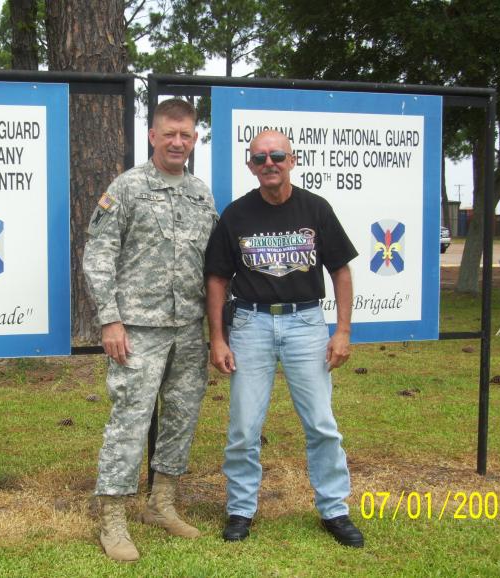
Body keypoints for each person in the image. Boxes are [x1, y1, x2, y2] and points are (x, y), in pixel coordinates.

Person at [204, 129, 364, 547]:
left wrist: (342, 331)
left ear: (292, 160)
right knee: (243, 427)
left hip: (306, 324)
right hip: (251, 326)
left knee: (322, 425)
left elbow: (341, 271)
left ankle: (334, 509)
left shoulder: (316, 208)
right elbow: (218, 279)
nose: (269, 163)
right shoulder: (236, 215)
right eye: (260, 158)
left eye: (277, 155)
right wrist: (217, 339)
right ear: (250, 164)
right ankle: (240, 509)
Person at [83, 98, 217, 562]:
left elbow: (211, 263)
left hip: (188, 328)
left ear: (195, 138)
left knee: (181, 416)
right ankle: (113, 519)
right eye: (170, 134)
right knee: (130, 422)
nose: (178, 142)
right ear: (153, 136)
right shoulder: (127, 188)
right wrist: (110, 318)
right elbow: (98, 255)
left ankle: (162, 504)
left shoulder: (201, 193)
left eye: (187, 134)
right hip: (137, 329)